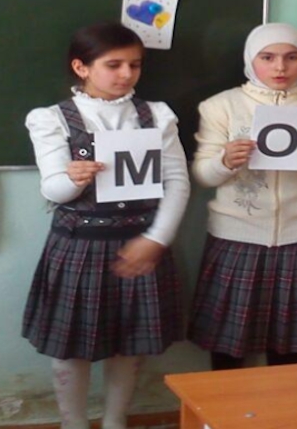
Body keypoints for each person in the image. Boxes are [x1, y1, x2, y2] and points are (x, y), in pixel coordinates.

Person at [23, 23, 190, 429]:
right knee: (70, 347)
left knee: (129, 345)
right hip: (79, 243)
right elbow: (53, 189)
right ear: (81, 67)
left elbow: (177, 181)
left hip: (139, 240)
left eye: (135, 64)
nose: (126, 74)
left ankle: (116, 420)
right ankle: (73, 423)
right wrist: (74, 178)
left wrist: (156, 238)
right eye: (113, 65)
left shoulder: (157, 115)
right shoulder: (52, 118)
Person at [188, 22, 297, 369]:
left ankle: (282, 402)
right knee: (228, 343)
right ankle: (224, 404)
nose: (280, 67)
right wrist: (224, 161)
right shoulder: (221, 106)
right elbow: (202, 174)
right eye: (268, 57)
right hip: (236, 235)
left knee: (289, 345)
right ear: (251, 59)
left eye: (292, 57)